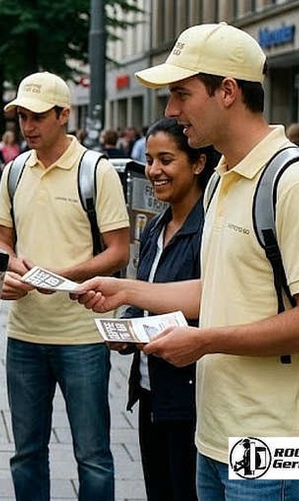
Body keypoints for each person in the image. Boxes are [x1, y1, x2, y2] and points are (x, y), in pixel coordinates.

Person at [77, 23, 299, 501]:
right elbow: (220, 289)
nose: (171, 111)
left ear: (227, 91)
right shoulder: (221, 177)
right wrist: (128, 290)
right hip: (214, 435)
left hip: (275, 447)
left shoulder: (297, 182)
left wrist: (203, 342)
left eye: (181, 93)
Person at [0, 71, 130, 500]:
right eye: (22, 117)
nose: (28, 126)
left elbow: (119, 250)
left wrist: (62, 277)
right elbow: (3, 241)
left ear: (63, 114)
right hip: (24, 333)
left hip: (83, 336)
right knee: (26, 452)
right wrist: (16, 268)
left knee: (93, 455)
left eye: (37, 116)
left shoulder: (96, 171)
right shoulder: (15, 171)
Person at [123, 118, 217, 501]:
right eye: (149, 160)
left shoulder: (209, 230)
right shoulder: (154, 227)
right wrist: (127, 328)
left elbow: (213, 303)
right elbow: (145, 295)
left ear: (197, 164)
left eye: (166, 159)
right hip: (151, 392)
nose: (154, 171)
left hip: (189, 397)